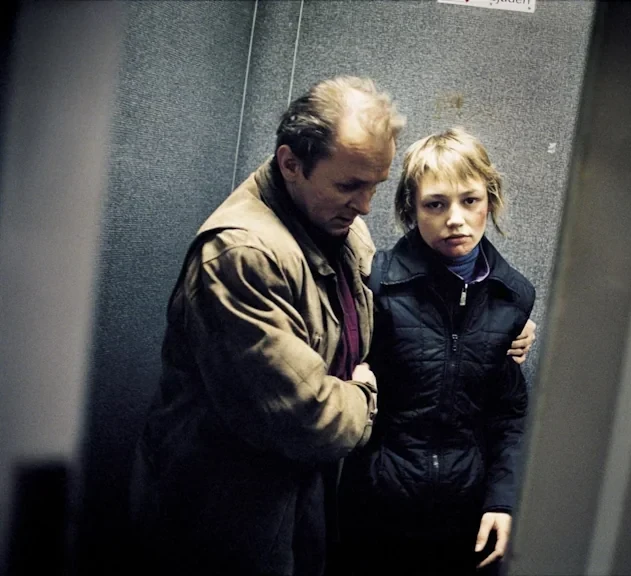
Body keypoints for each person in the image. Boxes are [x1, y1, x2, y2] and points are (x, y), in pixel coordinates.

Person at [129, 77, 534, 576]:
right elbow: (307, 418)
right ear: (291, 164)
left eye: (374, 186)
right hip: (229, 509)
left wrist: (495, 326)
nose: (365, 206)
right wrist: (364, 391)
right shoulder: (242, 254)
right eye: (349, 186)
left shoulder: (342, 227)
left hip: (311, 499)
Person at [339, 128, 536, 575]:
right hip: (375, 513)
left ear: (490, 200)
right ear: (411, 209)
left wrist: (503, 500)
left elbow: (509, 415)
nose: (455, 219)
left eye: (470, 200)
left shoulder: (513, 296)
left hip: (464, 521)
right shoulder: (376, 282)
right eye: (435, 204)